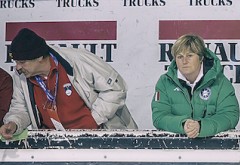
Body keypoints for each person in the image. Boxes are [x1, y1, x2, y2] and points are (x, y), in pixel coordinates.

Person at [0, 28, 137, 140]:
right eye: (16, 62)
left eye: (22, 62)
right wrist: (14, 123)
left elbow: (116, 89)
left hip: (98, 137)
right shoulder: (21, 76)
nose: (17, 67)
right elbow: (20, 108)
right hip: (54, 144)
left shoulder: (78, 60)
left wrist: (94, 120)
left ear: (39, 57)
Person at [152, 34, 239, 138]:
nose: (184, 61)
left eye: (189, 55)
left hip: (214, 149)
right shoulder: (164, 82)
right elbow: (159, 117)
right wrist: (183, 124)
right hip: (175, 150)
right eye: (180, 57)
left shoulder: (220, 82)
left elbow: (229, 116)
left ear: (201, 57)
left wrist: (201, 126)